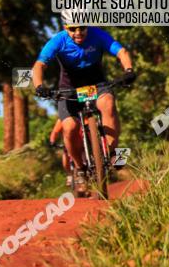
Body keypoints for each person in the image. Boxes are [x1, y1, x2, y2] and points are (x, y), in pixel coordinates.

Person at [32, 11, 135, 194]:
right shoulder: (58, 41)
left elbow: (122, 52)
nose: (78, 32)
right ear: (65, 28)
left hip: (97, 85)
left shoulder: (98, 34)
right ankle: (79, 168)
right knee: (70, 128)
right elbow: (40, 65)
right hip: (68, 89)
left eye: (82, 27)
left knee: (108, 104)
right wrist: (39, 85)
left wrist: (128, 70)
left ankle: (112, 153)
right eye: (73, 29)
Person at [48, 118, 73, 187]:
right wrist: (52, 141)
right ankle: (69, 174)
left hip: (81, 143)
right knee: (65, 154)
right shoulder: (62, 119)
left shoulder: (82, 116)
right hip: (68, 144)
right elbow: (55, 131)